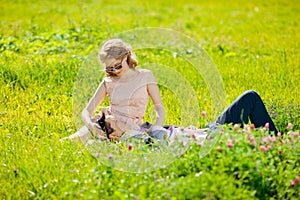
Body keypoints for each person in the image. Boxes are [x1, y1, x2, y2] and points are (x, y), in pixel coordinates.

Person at [65, 38, 278, 145]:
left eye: (117, 66)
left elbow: (159, 108)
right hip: (144, 133)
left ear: (126, 57)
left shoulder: (145, 76)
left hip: (170, 130)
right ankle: (279, 146)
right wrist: (92, 126)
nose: (113, 72)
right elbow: (87, 112)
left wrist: (158, 130)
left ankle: (280, 143)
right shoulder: (108, 84)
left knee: (250, 96)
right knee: (81, 135)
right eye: (109, 68)